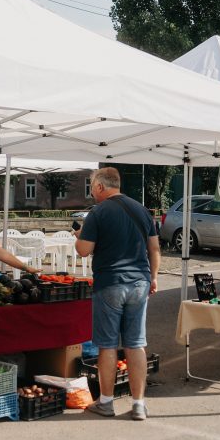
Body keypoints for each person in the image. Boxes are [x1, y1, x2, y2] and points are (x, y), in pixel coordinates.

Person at [75, 167, 160, 421]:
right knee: (136, 344)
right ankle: (138, 404)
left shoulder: (98, 212)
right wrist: (153, 277)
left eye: (92, 185)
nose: (91, 190)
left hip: (110, 283)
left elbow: (83, 250)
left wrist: (79, 236)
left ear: (101, 186)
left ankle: (106, 402)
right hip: (139, 283)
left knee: (108, 344)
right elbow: (154, 249)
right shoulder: (142, 210)